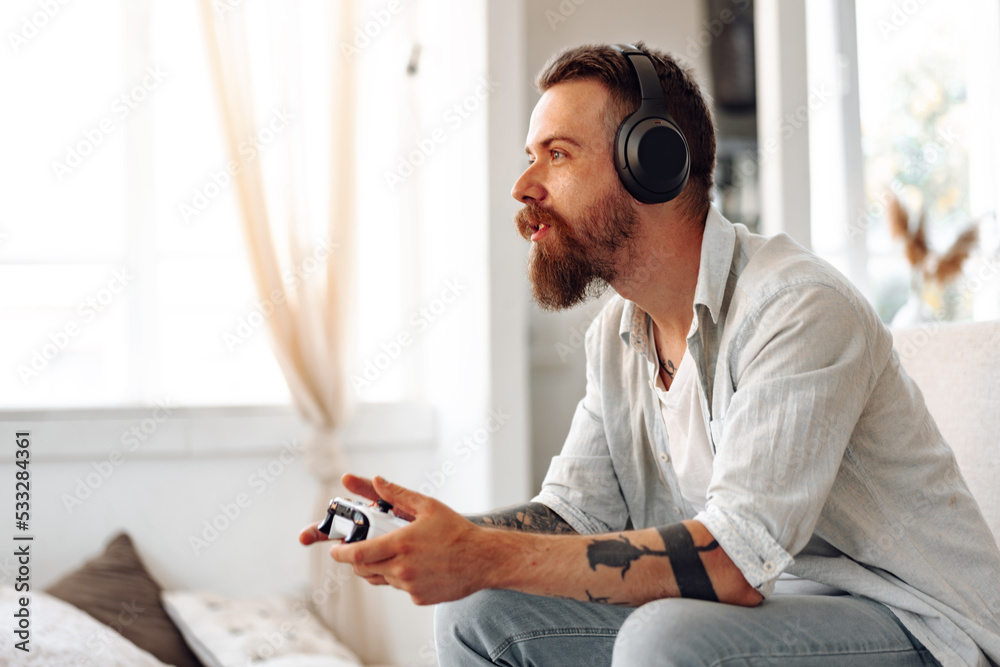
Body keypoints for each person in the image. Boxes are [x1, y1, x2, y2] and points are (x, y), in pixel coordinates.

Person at [300, 42, 1000, 666]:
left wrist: (483, 553)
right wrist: (442, 536)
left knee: (664, 638)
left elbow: (732, 561)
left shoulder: (798, 306)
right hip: (772, 611)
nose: (524, 186)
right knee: (479, 609)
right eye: (529, 156)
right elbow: (575, 516)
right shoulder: (617, 335)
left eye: (558, 154)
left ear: (653, 163)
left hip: (919, 626)